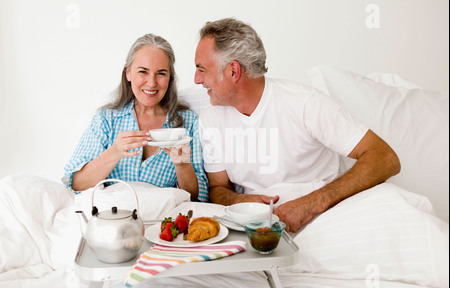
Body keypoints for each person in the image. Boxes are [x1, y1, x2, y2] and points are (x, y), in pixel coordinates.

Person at [195, 18, 400, 232]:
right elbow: (218, 188)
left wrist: (312, 204)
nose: (197, 79)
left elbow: (385, 157)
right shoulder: (211, 118)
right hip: (258, 228)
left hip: (326, 217)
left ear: (233, 71)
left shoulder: (305, 103)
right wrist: (238, 201)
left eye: (202, 69)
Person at [63, 34, 208, 202]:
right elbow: (75, 184)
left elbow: (198, 198)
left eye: (161, 73)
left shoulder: (188, 123)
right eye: (143, 72)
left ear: (170, 78)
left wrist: (183, 166)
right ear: (128, 73)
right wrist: (114, 152)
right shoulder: (106, 120)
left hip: (162, 221)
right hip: (114, 217)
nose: (152, 82)